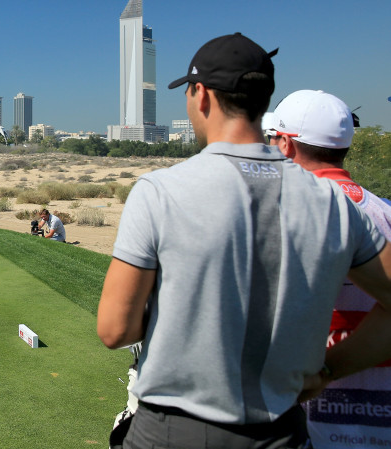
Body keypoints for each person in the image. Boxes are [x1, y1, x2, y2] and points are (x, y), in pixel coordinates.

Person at [96, 33, 391, 448]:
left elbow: (114, 329)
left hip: (171, 431)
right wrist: (328, 371)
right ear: (263, 100)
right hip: (281, 431)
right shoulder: (332, 203)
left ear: (201, 97)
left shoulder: (159, 191)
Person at [267, 89, 391, 447]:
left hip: (305, 424)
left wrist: (326, 370)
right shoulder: (384, 212)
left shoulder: (284, 215)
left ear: (286, 146)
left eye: (273, 139)